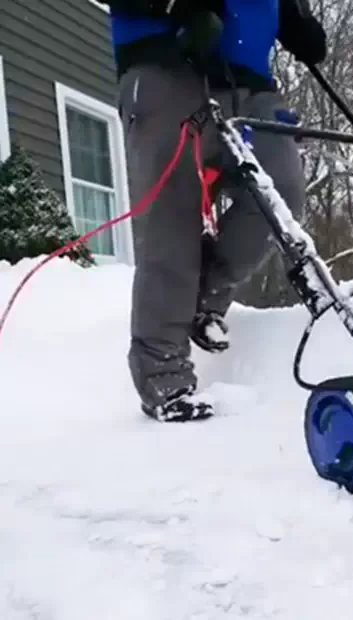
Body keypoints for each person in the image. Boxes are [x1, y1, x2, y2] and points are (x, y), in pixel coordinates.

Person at [101, 1, 328, 422]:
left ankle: (206, 297)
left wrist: (293, 19)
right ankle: (163, 376)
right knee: (173, 218)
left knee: (279, 194)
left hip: (251, 84)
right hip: (166, 64)